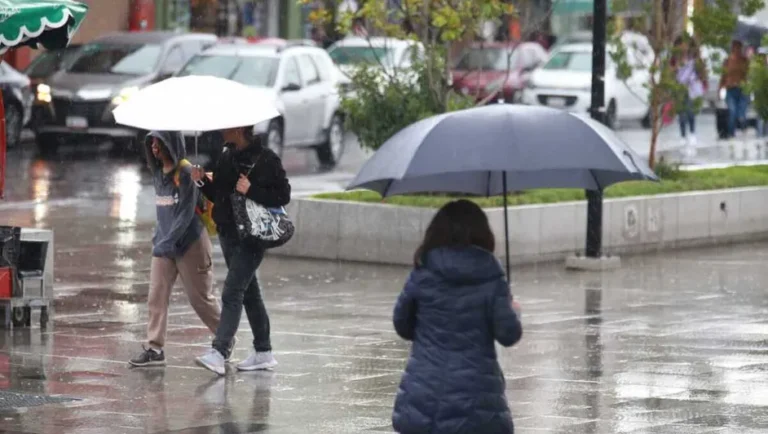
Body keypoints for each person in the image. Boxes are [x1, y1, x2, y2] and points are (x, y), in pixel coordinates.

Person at [391, 199, 523, 434]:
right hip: (476, 397)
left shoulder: (423, 272)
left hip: (424, 390)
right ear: (483, 234)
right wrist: (512, 309)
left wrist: (428, 330)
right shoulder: (491, 275)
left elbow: (402, 325)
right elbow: (508, 334)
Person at [191, 126, 291, 376]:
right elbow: (219, 195)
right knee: (249, 293)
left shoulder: (266, 158)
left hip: (252, 237)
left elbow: (283, 194)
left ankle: (219, 351)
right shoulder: (226, 155)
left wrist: (252, 190)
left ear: (238, 129)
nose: (221, 130)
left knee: (233, 291)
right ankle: (263, 352)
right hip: (228, 233)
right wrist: (201, 181)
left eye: (226, 127)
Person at [129, 131, 222, 367]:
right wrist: (159, 239)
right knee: (156, 297)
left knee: (200, 299)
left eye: (158, 141)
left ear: (169, 143)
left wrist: (167, 242)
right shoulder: (158, 174)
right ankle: (154, 348)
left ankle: (224, 338)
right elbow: (164, 214)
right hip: (164, 245)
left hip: (191, 244)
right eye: (151, 142)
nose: (153, 147)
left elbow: (185, 214)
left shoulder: (187, 173)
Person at [673, 37, 707, 149]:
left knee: (690, 111)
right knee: (681, 113)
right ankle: (683, 135)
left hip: (691, 88)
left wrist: (697, 79)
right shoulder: (675, 59)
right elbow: (671, 73)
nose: (683, 47)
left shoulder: (695, 60)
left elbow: (702, 73)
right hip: (680, 88)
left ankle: (692, 133)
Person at [720, 40, 750, 139]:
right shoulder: (727, 61)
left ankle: (743, 127)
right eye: (735, 48)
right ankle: (731, 133)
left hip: (742, 89)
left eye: (739, 48)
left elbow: (749, 75)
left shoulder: (745, 61)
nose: (737, 50)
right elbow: (723, 75)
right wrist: (721, 88)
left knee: (741, 112)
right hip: (730, 89)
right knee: (732, 111)